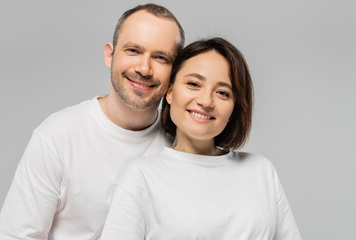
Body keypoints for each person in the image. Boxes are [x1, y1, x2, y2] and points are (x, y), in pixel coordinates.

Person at [0, 4, 184, 240]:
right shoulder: (57, 137)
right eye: (133, 50)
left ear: (175, 73)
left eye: (161, 58)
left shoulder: (180, 147)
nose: (144, 68)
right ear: (110, 55)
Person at [100, 37, 301, 239]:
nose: (206, 101)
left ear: (234, 109)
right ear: (169, 92)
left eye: (223, 93)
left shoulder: (261, 171)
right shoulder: (140, 177)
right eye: (194, 84)